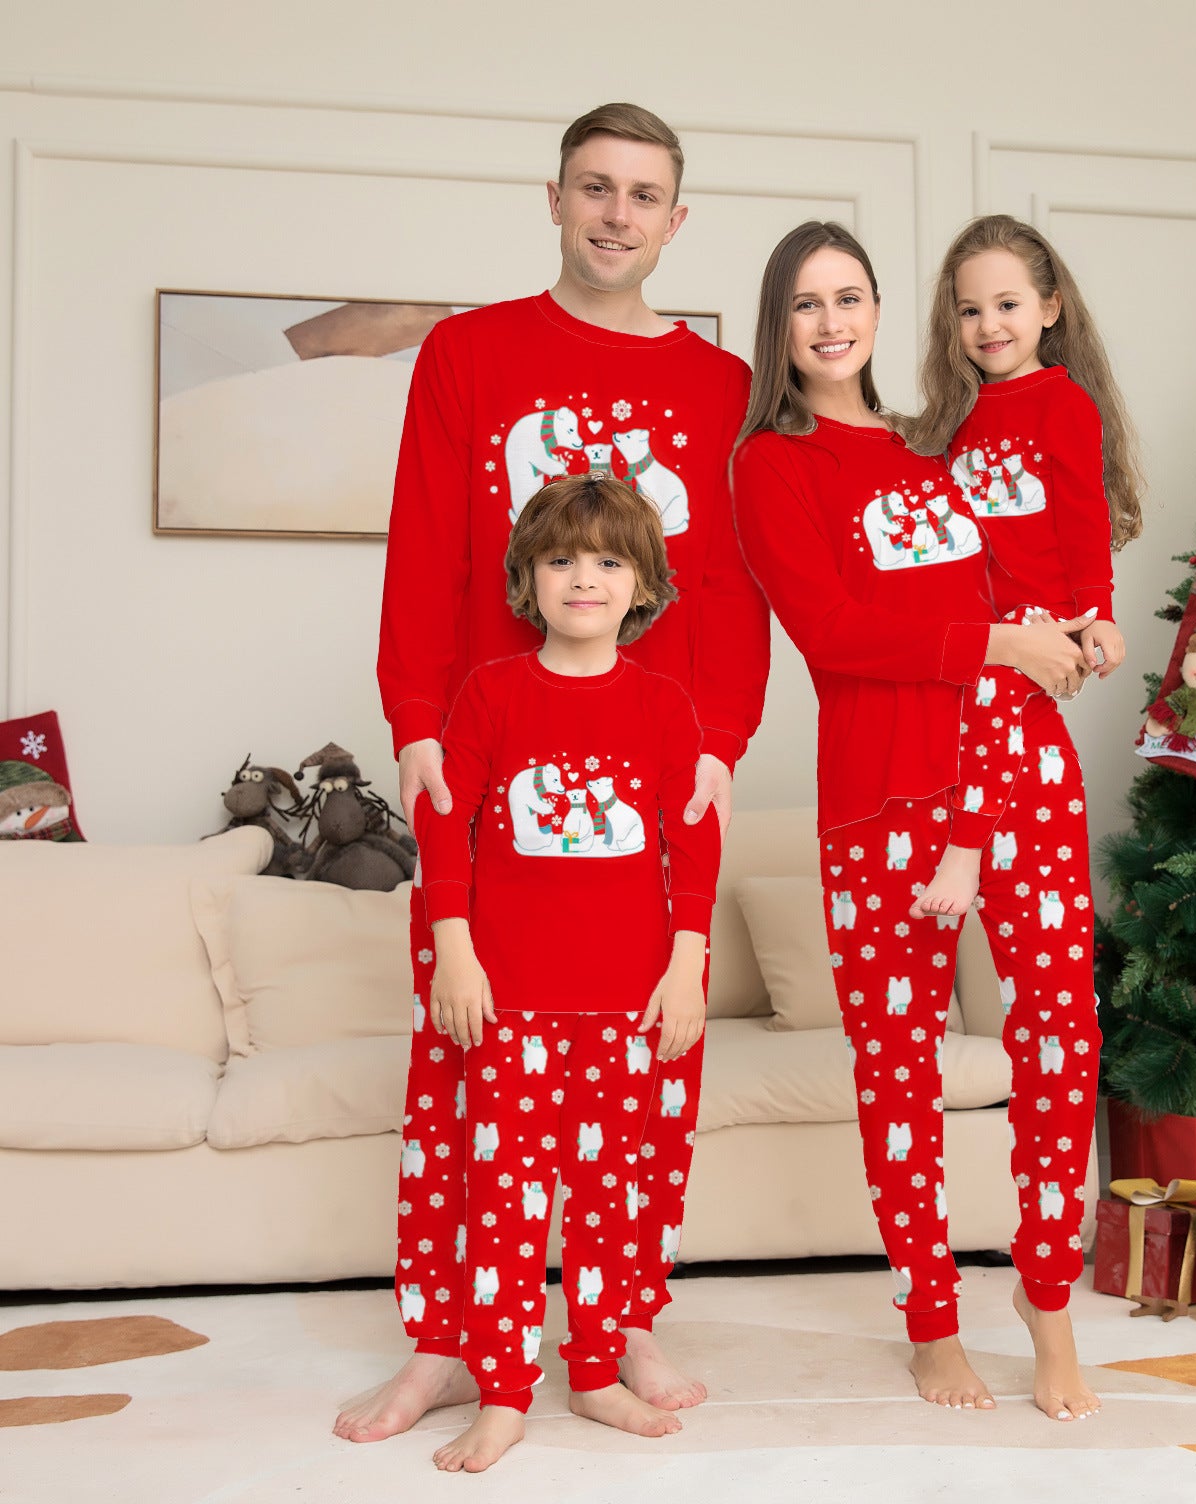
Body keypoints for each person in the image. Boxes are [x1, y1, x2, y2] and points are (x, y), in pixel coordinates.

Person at [340, 101, 769, 1445]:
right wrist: (415, 722)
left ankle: (617, 1322)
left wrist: (718, 742)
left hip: (648, 783)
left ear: (675, 221)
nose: (616, 213)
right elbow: (424, 550)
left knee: (641, 1083)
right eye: (595, 186)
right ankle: (445, 1341)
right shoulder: (468, 354)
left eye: (644, 194)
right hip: (479, 767)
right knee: (463, 1082)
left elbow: (735, 589)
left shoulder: (718, 390)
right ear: (554, 197)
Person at [732, 221, 1102, 1421]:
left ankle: (1048, 1302)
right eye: (805, 304)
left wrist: (1082, 623)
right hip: (886, 799)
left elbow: (1028, 561)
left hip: (1020, 775)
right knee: (897, 1070)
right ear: (777, 326)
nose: (831, 322)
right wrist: (1002, 640)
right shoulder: (771, 465)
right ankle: (930, 1318)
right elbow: (835, 635)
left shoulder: (931, 445)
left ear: (890, 313)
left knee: (1061, 1041)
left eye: (851, 297)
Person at [417, 473, 721, 1472]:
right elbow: (447, 825)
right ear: (527, 578)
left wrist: (688, 964)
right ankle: (504, 1392)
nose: (582, 578)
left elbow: (694, 844)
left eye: (606, 560)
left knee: (612, 1202)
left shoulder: (664, 705)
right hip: (512, 1006)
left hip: (630, 1007)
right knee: (503, 1202)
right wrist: (455, 950)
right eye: (559, 559)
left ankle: (592, 1373)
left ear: (641, 584)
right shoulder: (492, 694)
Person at [909, 213, 1145, 920]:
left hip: (1040, 612)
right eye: (970, 311)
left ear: (1049, 308)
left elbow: (1082, 513)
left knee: (992, 694)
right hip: (972, 615)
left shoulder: (1063, 403)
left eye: (1007, 306)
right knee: (974, 707)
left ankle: (966, 850)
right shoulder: (956, 414)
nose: (989, 326)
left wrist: (1097, 612)